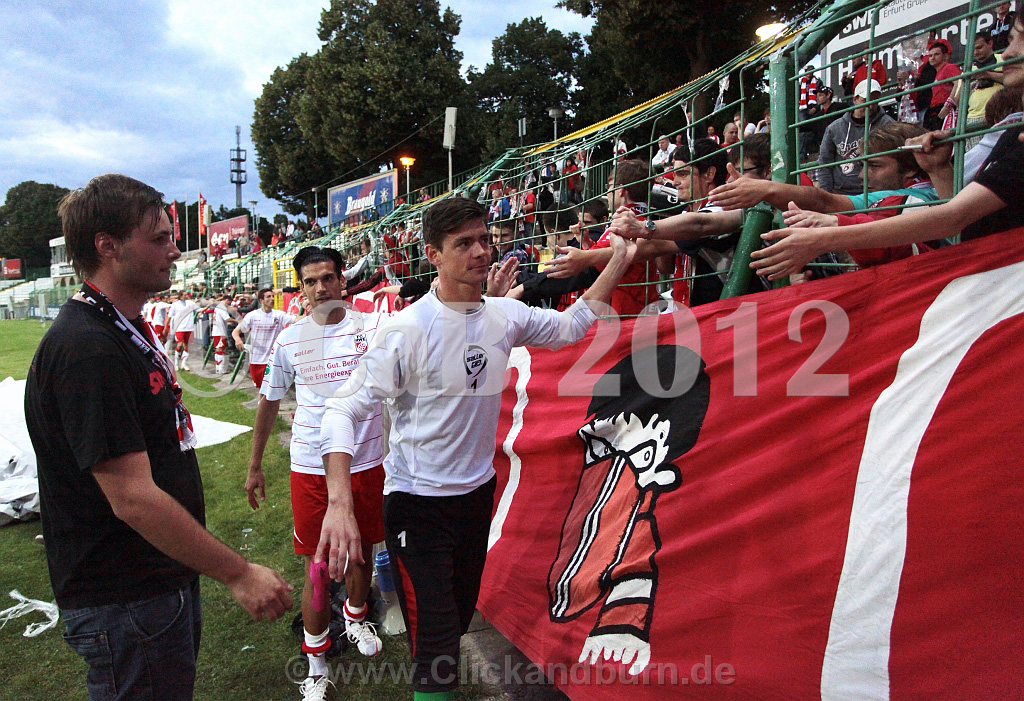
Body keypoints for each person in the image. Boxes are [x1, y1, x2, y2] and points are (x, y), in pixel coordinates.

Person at [316, 197, 637, 700]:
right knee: (437, 642)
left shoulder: (504, 315)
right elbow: (342, 409)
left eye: (485, 239)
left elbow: (573, 327)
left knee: (458, 620)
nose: (481, 251)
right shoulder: (405, 329)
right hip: (417, 506)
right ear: (433, 256)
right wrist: (339, 504)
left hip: (475, 499)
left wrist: (618, 259)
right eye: (464, 243)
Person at [24, 174, 293, 700]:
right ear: (108, 246)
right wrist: (238, 573)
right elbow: (132, 498)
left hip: (152, 579)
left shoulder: (113, 328)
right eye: (159, 238)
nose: (174, 250)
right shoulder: (88, 348)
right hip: (126, 593)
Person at [749, 13, 1024, 279]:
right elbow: (960, 224)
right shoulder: (842, 135)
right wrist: (939, 169)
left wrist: (830, 231)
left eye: (874, 165)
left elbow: (953, 218)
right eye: (1011, 39)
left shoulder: (911, 200)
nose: (1009, 53)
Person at [246, 246, 387, 701]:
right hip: (311, 467)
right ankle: (316, 665)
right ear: (301, 289)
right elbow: (269, 400)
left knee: (362, 549)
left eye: (328, 278)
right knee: (319, 565)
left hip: (366, 460)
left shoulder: (372, 327)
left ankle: (356, 616)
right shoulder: (290, 340)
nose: (320, 288)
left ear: (343, 280)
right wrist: (254, 465)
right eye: (310, 281)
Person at [818, 79, 896, 195]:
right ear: (855, 100)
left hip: (876, 193)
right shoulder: (835, 128)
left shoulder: (888, 125)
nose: (871, 105)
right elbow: (825, 163)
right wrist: (826, 194)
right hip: (842, 192)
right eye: (866, 100)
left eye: (875, 100)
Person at [232, 287, 295, 387]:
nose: (272, 299)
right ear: (261, 300)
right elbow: (236, 331)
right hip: (257, 360)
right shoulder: (252, 316)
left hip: (274, 361)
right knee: (261, 390)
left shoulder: (279, 315)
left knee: (274, 390)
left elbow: (297, 319)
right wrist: (237, 339)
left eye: (273, 296)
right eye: (268, 297)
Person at [167, 289, 209, 371]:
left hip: (189, 328)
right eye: (185, 295)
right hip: (179, 328)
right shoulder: (175, 305)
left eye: (187, 294)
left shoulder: (190, 303)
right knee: (179, 345)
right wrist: (167, 327)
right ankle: (176, 363)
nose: (187, 296)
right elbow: (170, 316)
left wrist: (208, 306)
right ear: (180, 296)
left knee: (187, 346)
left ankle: (184, 363)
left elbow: (199, 310)